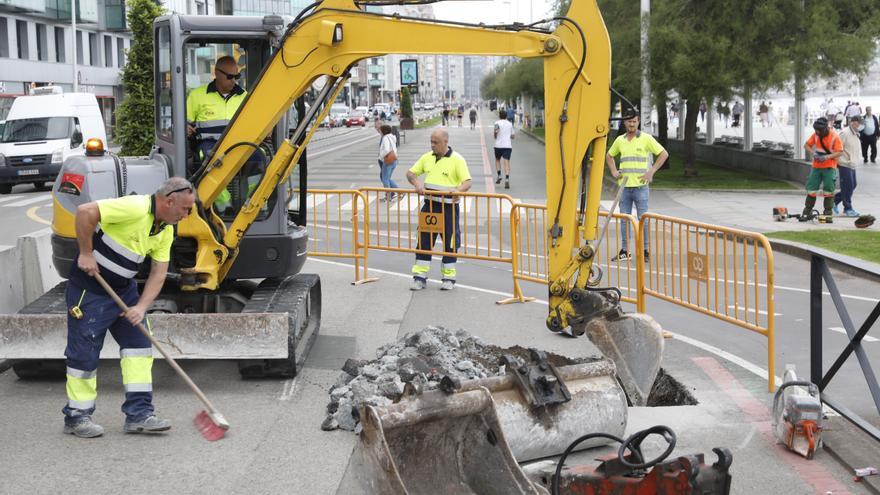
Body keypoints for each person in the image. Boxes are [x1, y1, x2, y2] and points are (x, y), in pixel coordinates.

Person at [62, 177, 196, 438]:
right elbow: (85, 212)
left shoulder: (165, 231)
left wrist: (142, 307)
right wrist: (86, 253)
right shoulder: (135, 207)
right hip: (90, 291)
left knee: (139, 348)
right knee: (84, 354)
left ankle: (139, 414)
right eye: (185, 209)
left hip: (124, 291)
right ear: (169, 201)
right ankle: (77, 416)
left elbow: (159, 272)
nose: (187, 214)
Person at [185, 56, 260, 213]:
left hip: (238, 144)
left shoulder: (244, 97)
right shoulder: (197, 95)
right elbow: (186, 122)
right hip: (210, 144)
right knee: (208, 158)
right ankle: (224, 207)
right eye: (229, 76)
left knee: (259, 157)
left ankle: (254, 202)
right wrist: (186, 127)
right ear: (217, 73)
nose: (234, 81)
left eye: (236, 77)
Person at [406, 129, 472, 291]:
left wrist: (459, 191)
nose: (432, 145)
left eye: (435, 142)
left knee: (450, 243)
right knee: (423, 241)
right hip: (429, 207)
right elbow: (410, 173)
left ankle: (448, 278)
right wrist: (417, 183)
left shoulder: (457, 159)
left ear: (445, 142)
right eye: (431, 141)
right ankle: (419, 278)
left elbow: (467, 182)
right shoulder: (427, 157)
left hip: (448, 208)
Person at [605, 109, 669, 262]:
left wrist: (651, 171)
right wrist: (613, 171)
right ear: (625, 123)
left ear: (638, 122)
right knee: (624, 219)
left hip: (641, 187)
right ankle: (625, 251)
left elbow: (664, 154)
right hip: (624, 187)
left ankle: (645, 251)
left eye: (634, 121)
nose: (632, 124)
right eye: (629, 121)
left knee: (643, 220)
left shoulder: (646, 138)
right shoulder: (620, 140)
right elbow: (609, 155)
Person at [802, 117, 843, 222]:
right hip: (816, 167)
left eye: (819, 131)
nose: (817, 132)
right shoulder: (816, 134)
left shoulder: (834, 136)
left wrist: (826, 157)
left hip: (829, 167)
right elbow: (806, 145)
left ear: (825, 129)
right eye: (816, 130)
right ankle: (807, 211)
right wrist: (813, 153)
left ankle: (828, 214)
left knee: (829, 190)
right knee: (811, 189)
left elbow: (840, 152)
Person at [833, 115, 862, 217]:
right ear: (852, 122)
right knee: (848, 186)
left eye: (859, 122)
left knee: (853, 185)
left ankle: (834, 201)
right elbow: (836, 147)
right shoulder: (845, 133)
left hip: (852, 164)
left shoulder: (856, 133)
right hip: (844, 163)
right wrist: (836, 162)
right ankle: (848, 208)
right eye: (856, 122)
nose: (858, 124)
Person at [493, 109, 515, 189]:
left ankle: (499, 175)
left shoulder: (497, 123)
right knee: (506, 162)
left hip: (498, 145)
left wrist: (496, 136)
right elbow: (513, 136)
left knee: (497, 160)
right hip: (507, 146)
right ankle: (507, 178)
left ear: (499, 115)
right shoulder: (510, 124)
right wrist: (509, 136)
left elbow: (495, 133)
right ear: (506, 116)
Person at [378, 124, 399, 203]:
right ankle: (394, 193)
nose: (380, 132)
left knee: (385, 179)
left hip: (388, 160)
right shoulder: (392, 137)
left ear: (384, 131)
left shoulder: (385, 138)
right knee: (386, 178)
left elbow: (386, 149)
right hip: (393, 159)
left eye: (381, 130)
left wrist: (381, 156)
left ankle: (389, 196)